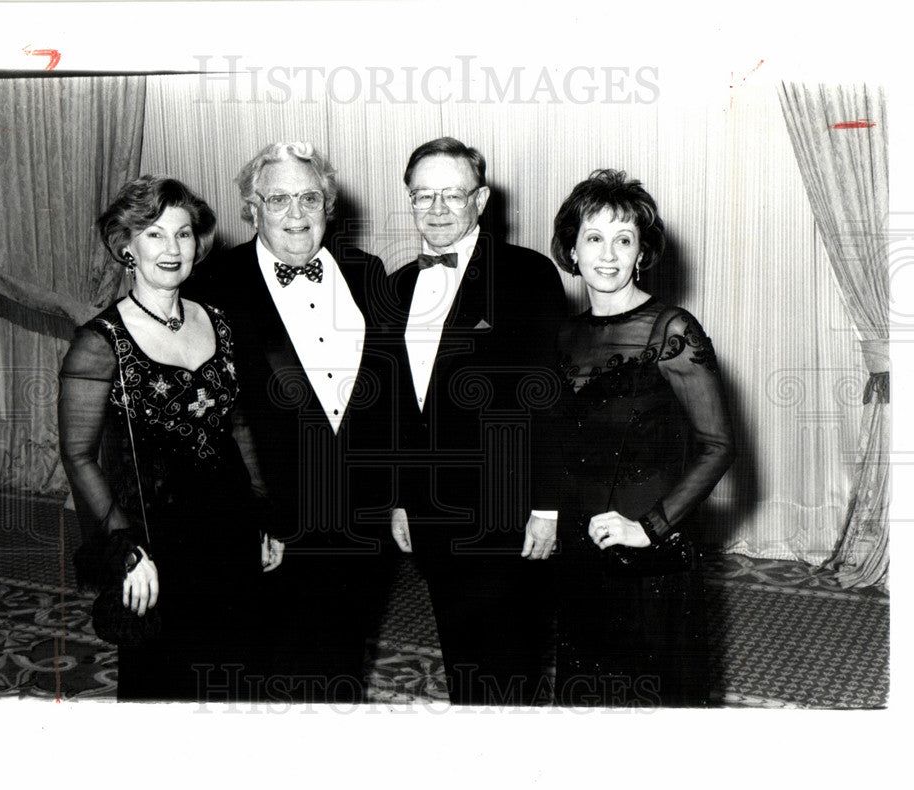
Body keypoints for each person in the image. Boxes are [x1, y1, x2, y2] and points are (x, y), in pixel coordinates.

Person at [185, 142, 395, 704]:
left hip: (358, 513)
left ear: (329, 205)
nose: (297, 214)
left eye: (310, 198)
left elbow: (388, 397)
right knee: (269, 667)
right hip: (271, 517)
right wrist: (250, 515)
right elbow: (207, 422)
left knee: (344, 655)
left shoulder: (366, 272)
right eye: (278, 199)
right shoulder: (212, 289)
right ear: (251, 209)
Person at [58, 175, 279, 702]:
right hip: (155, 535)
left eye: (183, 234)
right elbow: (78, 454)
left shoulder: (220, 323)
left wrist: (268, 516)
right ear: (126, 246)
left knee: (237, 671)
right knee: (165, 682)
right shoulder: (100, 342)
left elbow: (240, 426)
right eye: (154, 235)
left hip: (229, 525)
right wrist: (126, 549)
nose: (172, 249)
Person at [544, 169, 736, 707]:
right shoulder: (565, 335)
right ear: (572, 250)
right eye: (594, 238)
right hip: (580, 540)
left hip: (649, 538)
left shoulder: (670, 328)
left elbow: (718, 446)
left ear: (642, 252)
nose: (608, 254)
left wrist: (649, 529)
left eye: (624, 239)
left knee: (654, 702)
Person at [388, 137, 567, 705]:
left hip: (507, 506)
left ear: (482, 199)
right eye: (423, 196)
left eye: (452, 194)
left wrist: (547, 505)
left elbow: (549, 396)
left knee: (511, 659)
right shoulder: (395, 285)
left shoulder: (527, 274)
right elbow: (395, 407)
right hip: (431, 507)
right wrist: (399, 498)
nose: (437, 209)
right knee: (462, 653)